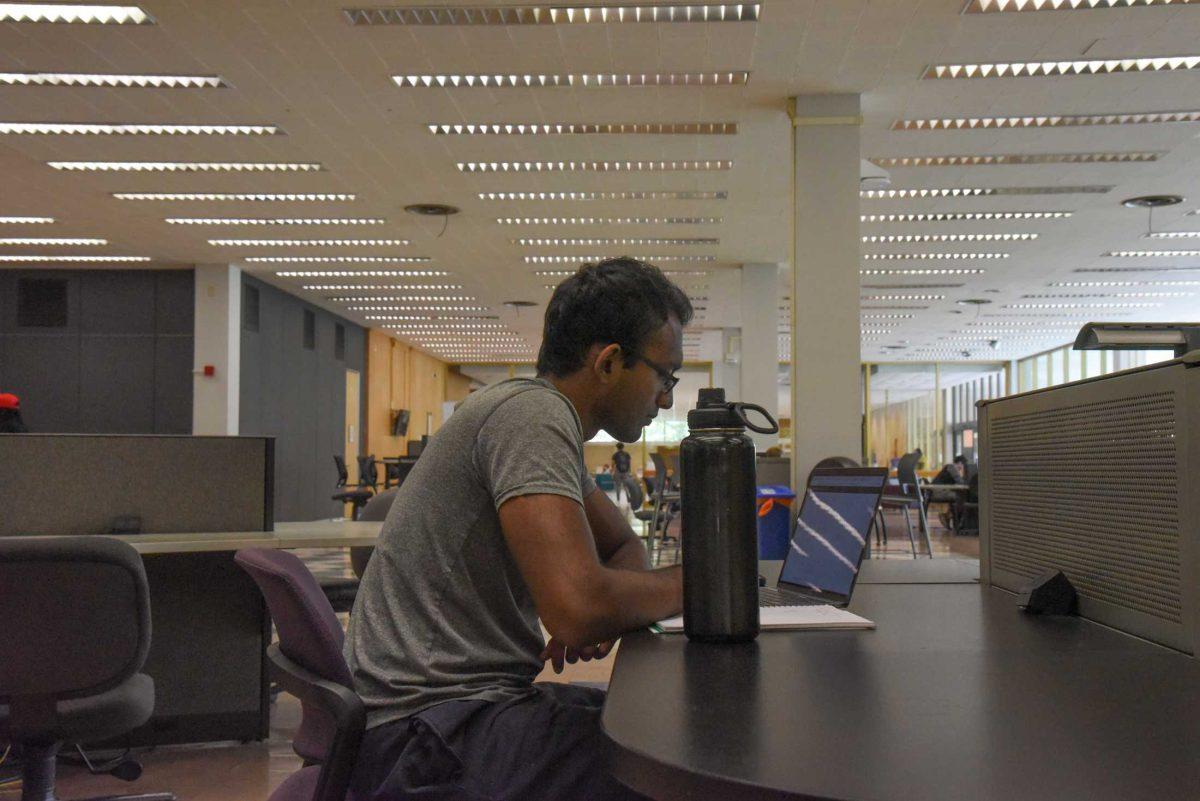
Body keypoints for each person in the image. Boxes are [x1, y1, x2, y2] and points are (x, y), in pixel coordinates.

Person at [346, 257, 691, 801]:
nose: (667, 397)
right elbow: (576, 609)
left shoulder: (531, 416)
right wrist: (705, 585)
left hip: (453, 716)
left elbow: (621, 547)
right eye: (664, 376)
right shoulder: (531, 418)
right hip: (426, 736)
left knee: (654, 730)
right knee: (675, 769)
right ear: (609, 362)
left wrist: (607, 610)